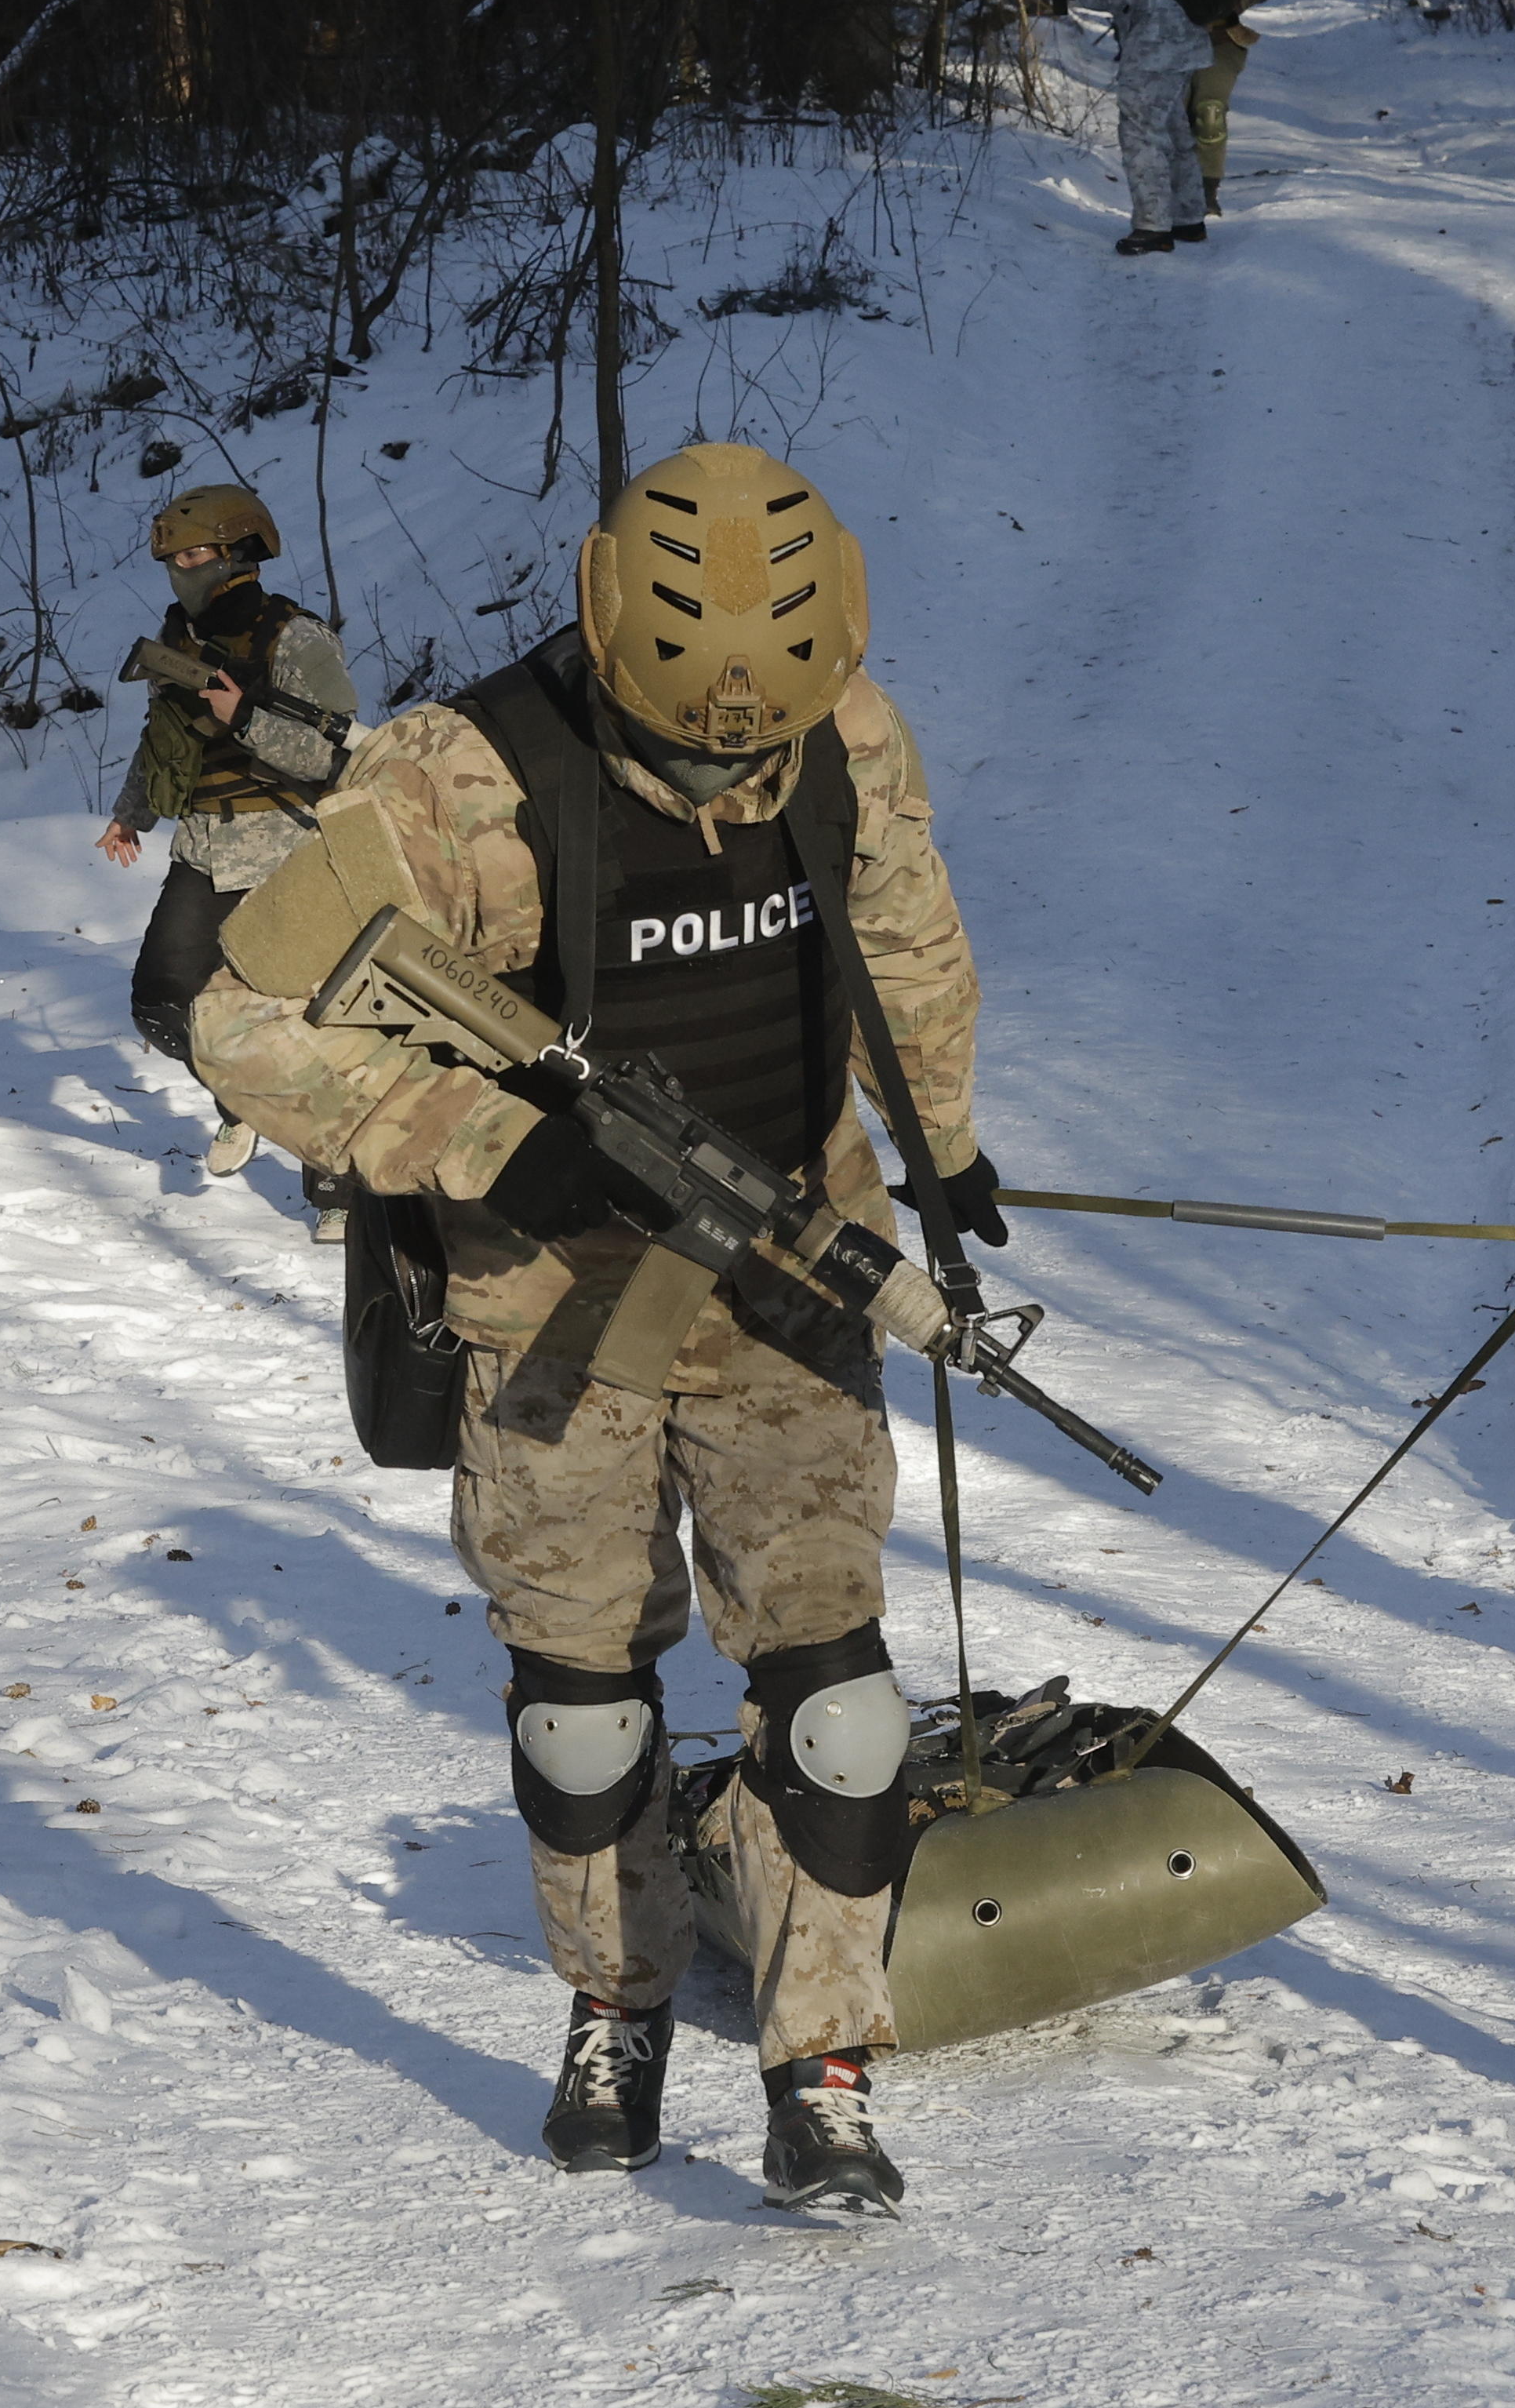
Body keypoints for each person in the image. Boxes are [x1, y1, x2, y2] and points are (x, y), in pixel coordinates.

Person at [187, 442, 1000, 2219]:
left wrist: (940, 1145)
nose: (727, 775)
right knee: (582, 1713)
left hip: (788, 1274)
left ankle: (821, 2062)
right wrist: (480, 1139)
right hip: (550, 1304)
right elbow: (237, 1018)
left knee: (838, 1704)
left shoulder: (845, 736)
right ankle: (616, 2008)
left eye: (751, 753)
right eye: (691, 748)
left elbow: (903, 935)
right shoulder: (457, 780)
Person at [97, 480, 360, 1236]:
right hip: (205, 847)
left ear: (239, 551)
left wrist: (245, 717)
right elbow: (164, 738)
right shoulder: (176, 640)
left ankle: (338, 1189)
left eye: (195, 555)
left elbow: (334, 755)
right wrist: (132, 812)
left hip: (289, 849)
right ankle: (240, 1097)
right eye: (174, 559)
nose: (182, 570)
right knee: (161, 997)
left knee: (310, 1020)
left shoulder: (296, 638)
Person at [1066, 0, 1215, 254]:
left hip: (1155, 48)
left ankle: (1153, 228)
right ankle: (1188, 219)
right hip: (1178, 43)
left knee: (1141, 134)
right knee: (1174, 132)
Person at [1157, 0, 1277, 221]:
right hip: (1169, 42)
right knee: (1173, 118)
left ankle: (1207, 192)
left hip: (1221, 40)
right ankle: (1173, 189)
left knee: (1209, 114)